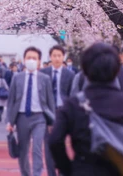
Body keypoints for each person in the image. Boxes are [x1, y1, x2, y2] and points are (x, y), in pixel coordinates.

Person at [49, 42, 123, 175]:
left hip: (83, 168)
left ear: (85, 69)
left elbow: (55, 140)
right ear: (117, 69)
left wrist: (68, 169)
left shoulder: (73, 105)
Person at [6, 46, 55, 176]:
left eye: (34, 58)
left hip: (40, 118)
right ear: (24, 60)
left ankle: (37, 173)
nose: (31, 60)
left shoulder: (45, 79)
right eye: (29, 58)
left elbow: (50, 102)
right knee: (23, 150)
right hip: (21, 117)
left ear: (39, 61)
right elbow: (11, 101)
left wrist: (52, 122)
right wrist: (9, 121)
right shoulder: (17, 78)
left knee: (37, 149)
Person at [41, 45, 75, 176]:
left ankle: (62, 172)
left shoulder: (70, 74)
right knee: (49, 145)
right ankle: (51, 173)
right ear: (50, 57)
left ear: (63, 57)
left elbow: (72, 96)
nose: (56, 58)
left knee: (62, 144)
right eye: (54, 56)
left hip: (63, 112)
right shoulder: (44, 73)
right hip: (47, 112)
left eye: (59, 56)